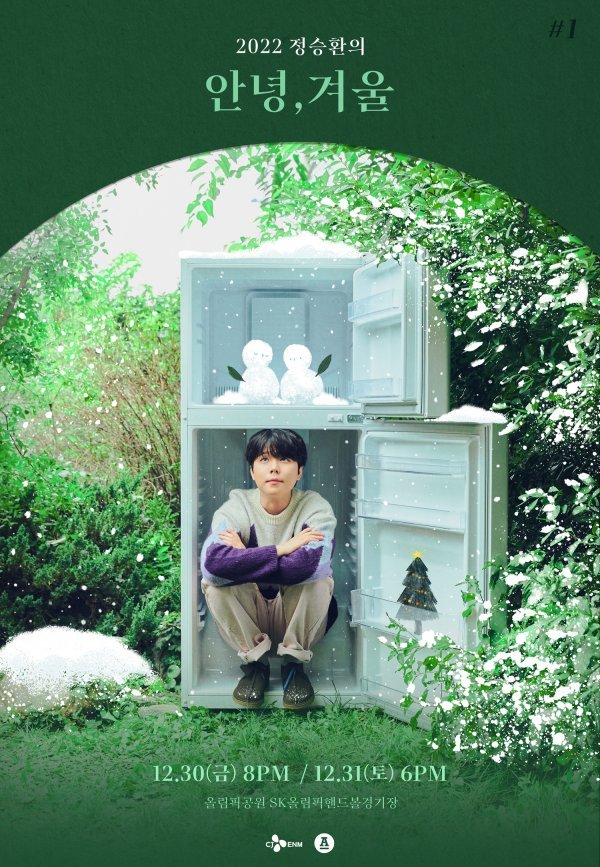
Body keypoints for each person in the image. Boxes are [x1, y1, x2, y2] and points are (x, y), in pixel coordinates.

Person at [200, 428, 337, 709]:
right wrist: (282, 549)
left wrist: (243, 558)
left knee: (319, 580)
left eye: (284, 459)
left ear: (299, 471)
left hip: (294, 614)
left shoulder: (316, 509)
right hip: (251, 615)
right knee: (214, 585)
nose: (274, 468)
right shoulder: (236, 507)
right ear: (252, 471)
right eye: (264, 459)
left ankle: (294, 666)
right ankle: (256, 666)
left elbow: (308, 567)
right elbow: (213, 565)